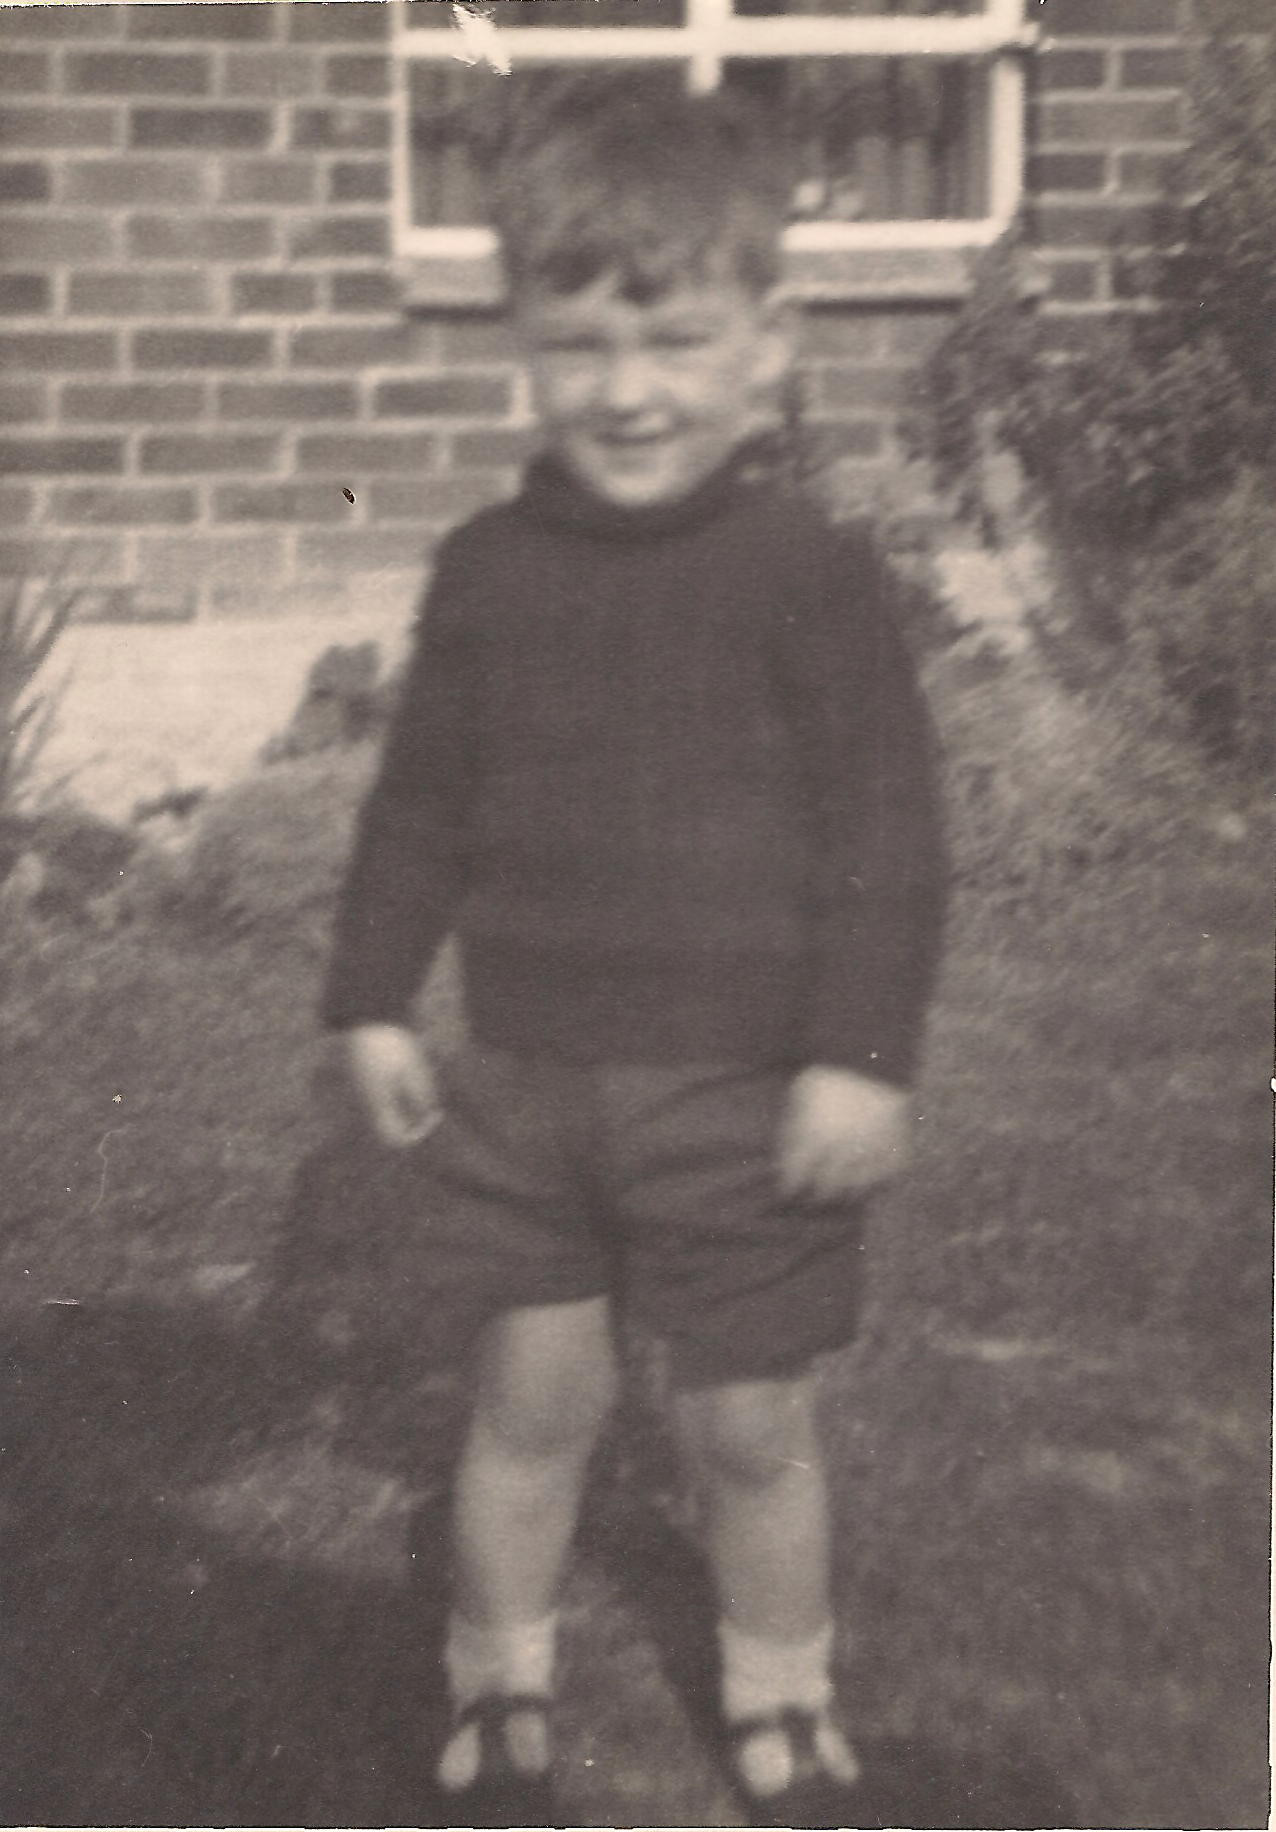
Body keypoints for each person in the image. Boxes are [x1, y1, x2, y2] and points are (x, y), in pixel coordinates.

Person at [321, 74, 947, 1829]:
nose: (627, 389)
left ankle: (781, 1691)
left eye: (673, 340)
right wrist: (371, 996)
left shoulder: (807, 571)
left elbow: (889, 840)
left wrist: (859, 1059)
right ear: (521, 342)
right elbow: (420, 807)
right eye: (579, 345)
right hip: (526, 1092)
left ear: (768, 345)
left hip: (745, 1101)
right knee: (530, 1409)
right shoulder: (488, 570)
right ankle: (496, 1684)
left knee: (747, 1427)